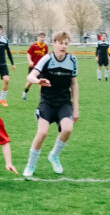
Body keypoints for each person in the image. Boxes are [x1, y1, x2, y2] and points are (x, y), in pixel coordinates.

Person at [22, 31, 80, 177]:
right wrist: (38, 81)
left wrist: (76, 106)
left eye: (66, 44)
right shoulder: (46, 59)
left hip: (64, 102)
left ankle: (54, 155)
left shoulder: (72, 60)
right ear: (54, 43)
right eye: (60, 43)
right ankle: (31, 165)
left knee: (67, 129)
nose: (63, 46)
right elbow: (30, 76)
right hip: (47, 102)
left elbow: (74, 83)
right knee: (42, 133)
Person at [21, 32, 48, 101]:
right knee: (30, 82)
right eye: (41, 37)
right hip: (33, 67)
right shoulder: (34, 46)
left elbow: (46, 56)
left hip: (41, 68)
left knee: (41, 82)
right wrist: (30, 61)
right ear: (38, 37)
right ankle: (24, 92)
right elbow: (28, 54)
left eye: (43, 37)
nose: (42, 38)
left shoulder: (45, 46)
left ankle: (42, 98)